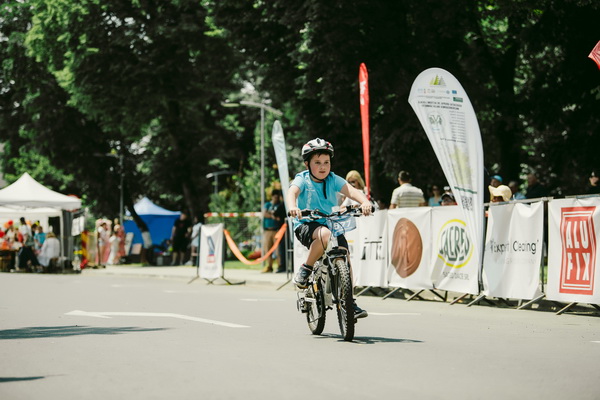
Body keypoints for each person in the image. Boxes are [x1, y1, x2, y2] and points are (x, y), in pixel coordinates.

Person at [287, 138, 372, 319]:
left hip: (330, 223)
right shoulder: (302, 178)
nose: (323, 167)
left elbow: (351, 190)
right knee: (325, 234)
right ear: (307, 164)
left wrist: (365, 202)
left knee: (344, 255)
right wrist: (293, 206)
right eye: (317, 162)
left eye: (326, 162)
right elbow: (292, 192)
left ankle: (349, 302)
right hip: (306, 224)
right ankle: (306, 268)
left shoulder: (333, 179)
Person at [262, 189, 284, 273]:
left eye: (277, 197)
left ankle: (279, 265)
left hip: (276, 230)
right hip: (268, 230)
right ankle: (269, 266)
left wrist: (270, 214)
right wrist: (273, 216)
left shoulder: (279, 205)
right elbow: (264, 214)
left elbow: (279, 216)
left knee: (278, 250)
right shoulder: (267, 205)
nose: (276, 199)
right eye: (275, 197)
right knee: (268, 249)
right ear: (272, 197)